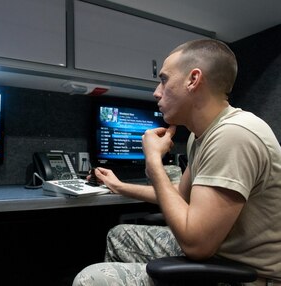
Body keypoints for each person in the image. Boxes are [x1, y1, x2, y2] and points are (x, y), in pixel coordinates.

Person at [73, 39, 281, 286]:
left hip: (246, 275)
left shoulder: (234, 134)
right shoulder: (201, 134)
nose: (156, 92)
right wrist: (119, 186)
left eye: (163, 80)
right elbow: (180, 198)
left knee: (90, 279)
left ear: (193, 80)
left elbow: (197, 245)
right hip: (221, 253)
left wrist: (153, 163)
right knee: (120, 235)